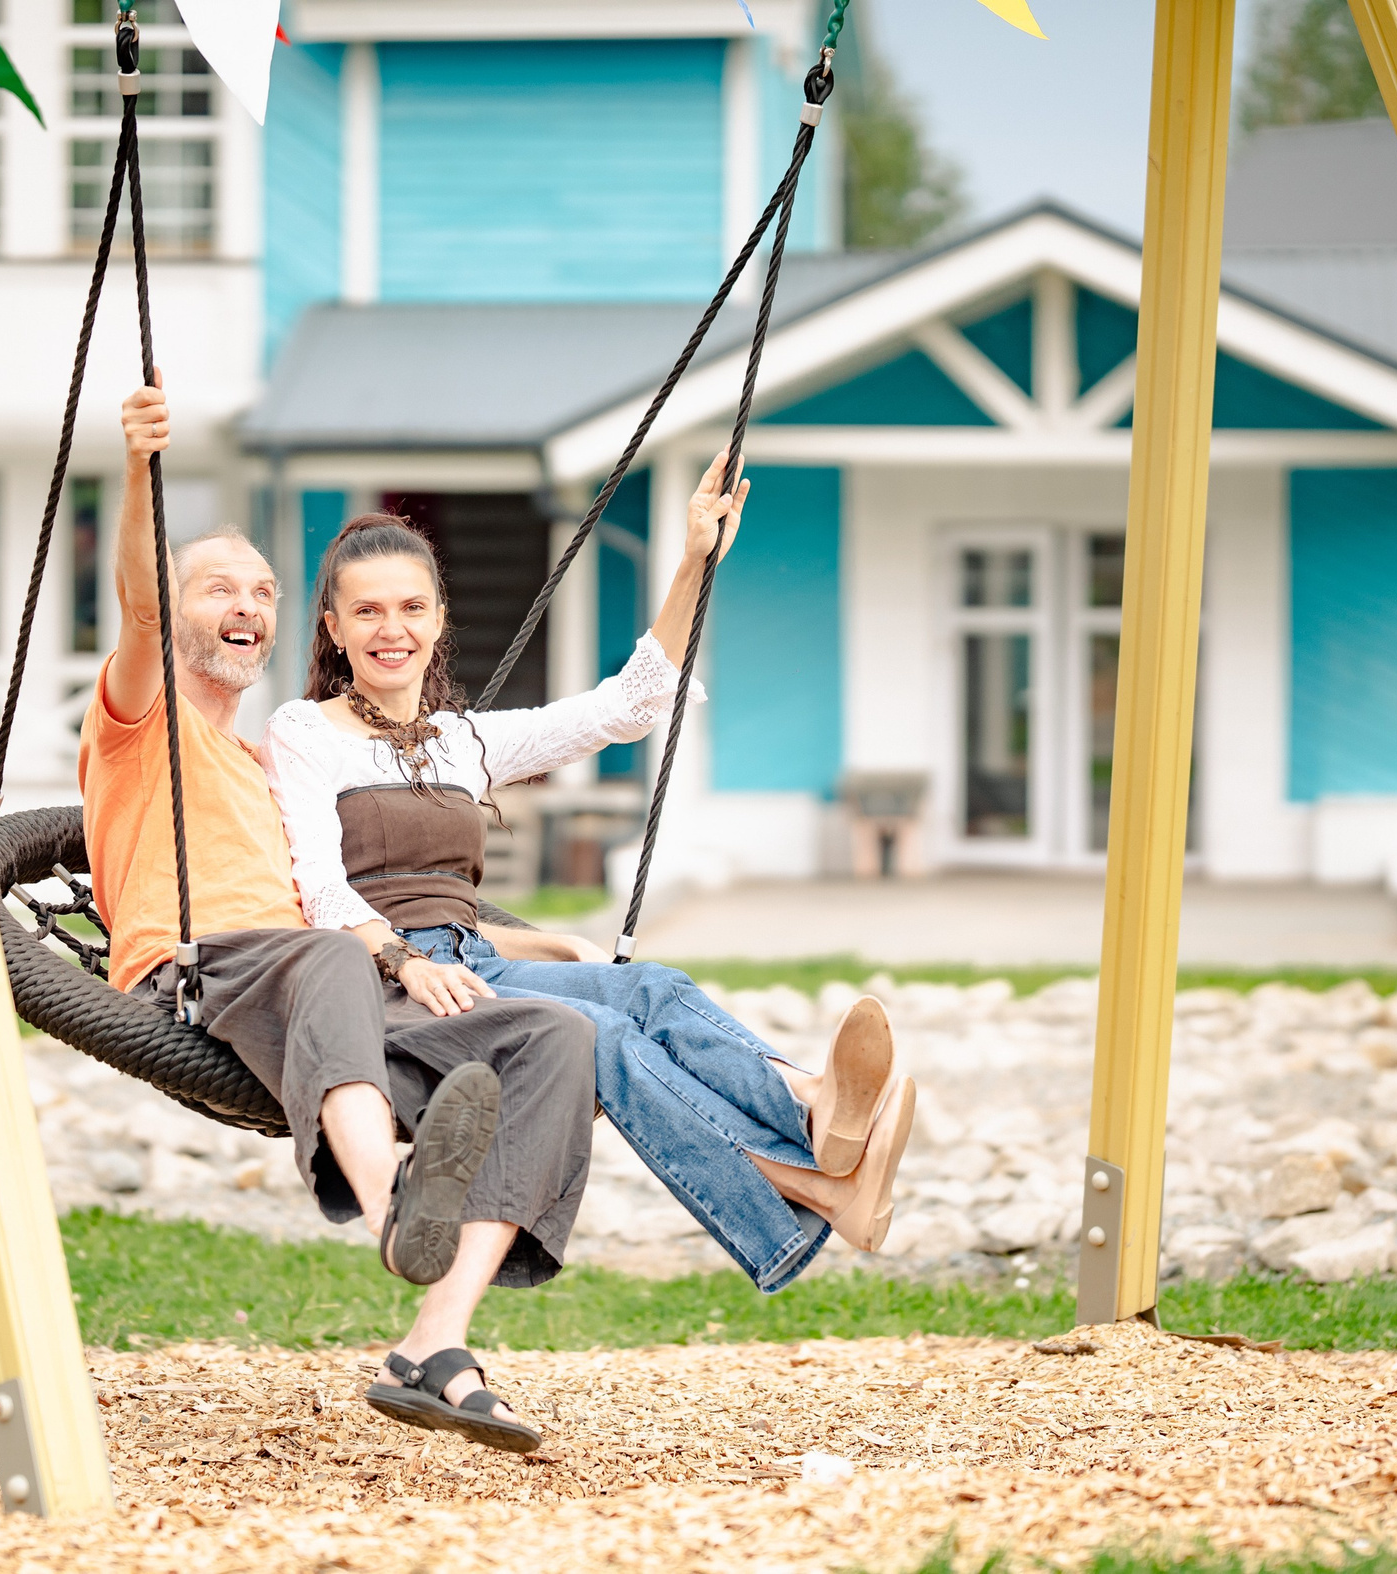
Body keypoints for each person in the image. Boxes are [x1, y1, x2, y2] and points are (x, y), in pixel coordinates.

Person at [78, 373, 599, 1454]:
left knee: (554, 1035)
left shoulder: (277, 761)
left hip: (329, 990)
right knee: (324, 955)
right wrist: (138, 471)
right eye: (217, 585)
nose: (246, 604)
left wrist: (544, 943)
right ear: (175, 612)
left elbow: (350, 903)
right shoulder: (143, 717)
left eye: (263, 590)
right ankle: (392, 1209)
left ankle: (434, 1342)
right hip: (204, 972)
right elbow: (132, 602)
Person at [259, 452, 917, 1294]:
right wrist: (403, 960)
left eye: (412, 607)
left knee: (652, 989)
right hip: (378, 981)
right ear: (333, 626)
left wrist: (691, 561)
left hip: (468, 963)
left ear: (439, 617)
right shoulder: (304, 732)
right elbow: (319, 887)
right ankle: (811, 1179)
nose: (393, 628)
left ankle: (814, 1108)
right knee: (601, 1037)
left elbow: (629, 705)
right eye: (369, 611)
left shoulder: (461, 741)